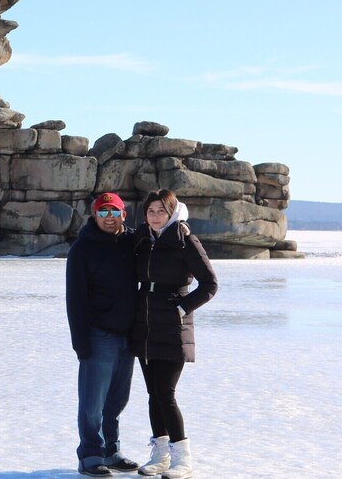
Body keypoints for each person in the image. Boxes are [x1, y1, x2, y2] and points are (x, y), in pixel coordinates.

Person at [131, 189, 218, 478]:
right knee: (152, 394)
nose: (155, 216)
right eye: (151, 211)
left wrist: (181, 308)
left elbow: (209, 284)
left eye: (161, 211)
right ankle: (160, 454)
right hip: (144, 325)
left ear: (171, 212)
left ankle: (182, 458)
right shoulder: (143, 240)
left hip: (172, 325)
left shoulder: (184, 240)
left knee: (166, 393)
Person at [66, 192, 140, 477]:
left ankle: (112, 450)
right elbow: (75, 300)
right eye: (103, 212)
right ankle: (90, 455)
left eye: (114, 212)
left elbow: (164, 233)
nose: (109, 217)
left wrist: (181, 225)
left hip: (128, 334)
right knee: (92, 403)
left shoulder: (133, 242)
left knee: (117, 400)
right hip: (98, 336)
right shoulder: (82, 250)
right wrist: (81, 343)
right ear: (94, 215)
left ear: (124, 214)